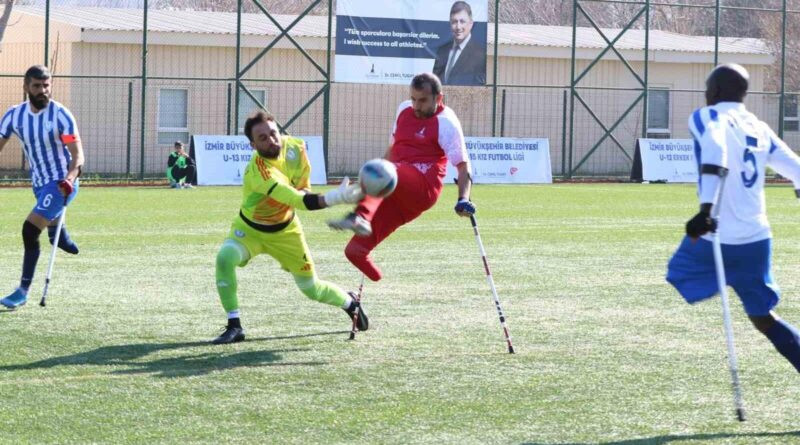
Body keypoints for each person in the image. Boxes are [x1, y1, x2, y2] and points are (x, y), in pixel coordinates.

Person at [666, 63, 800, 373]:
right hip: (756, 239)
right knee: (762, 318)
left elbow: (715, 151)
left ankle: (721, 280)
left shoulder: (706, 116)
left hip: (718, 237)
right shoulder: (758, 126)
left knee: (679, 272)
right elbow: (794, 166)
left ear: (713, 91)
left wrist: (705, 210)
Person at [212, 111, 367, 344]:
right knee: (225, 258)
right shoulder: (260, 172)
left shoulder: (295, 148)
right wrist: (335, 198)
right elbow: (296, 200)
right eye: (262, 138)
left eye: (273, 133)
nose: (271, 140)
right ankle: (235, 326)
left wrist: (330, 197)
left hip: (286, 231)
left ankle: (350, 302)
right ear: (253, 145)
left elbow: (302, 191)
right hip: (250, 230)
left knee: (310, 288)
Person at [328, 72, 476, 282]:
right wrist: (375, 172)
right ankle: (361, 299)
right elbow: (393, 147)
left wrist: (463, 199)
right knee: (354, 251)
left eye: (423, 100)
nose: (416, 106)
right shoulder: (404, 109)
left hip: (422, 188)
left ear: (439, 98)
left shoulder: (446, 122)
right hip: (394, 191)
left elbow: (463, 165)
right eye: (414, 99)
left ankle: (356, 211)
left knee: (386, 170)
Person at [0, 65, 84, 309]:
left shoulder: (61, 115)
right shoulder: (14, 115)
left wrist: (69, 178)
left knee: (29, 229)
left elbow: (77, 156)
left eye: (46, 86)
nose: (42, 90)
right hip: (38, 183)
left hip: (60, 183)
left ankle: (22, 290)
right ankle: (60, 235)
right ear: (26, 87)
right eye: (37, 86)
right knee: (50, 228)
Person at [431, 1, 486, 86]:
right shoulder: (442, 51)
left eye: (462, 21)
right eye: (454, 22)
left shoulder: (480, 55)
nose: (458, 27)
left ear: (471, 24)